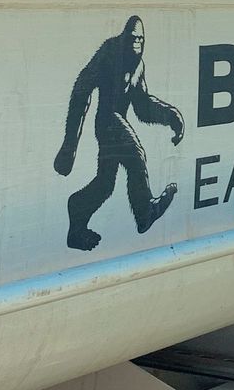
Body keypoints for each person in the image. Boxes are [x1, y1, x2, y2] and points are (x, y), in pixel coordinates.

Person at [55, 16, 184, 251]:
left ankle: (77, 216)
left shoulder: (138, 65)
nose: (137, 44)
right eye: (133, 39)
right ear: (124, 39)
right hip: (107, 120)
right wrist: (69, 145)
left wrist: (171, 116)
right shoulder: (109, 54)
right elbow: (82, 89)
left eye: (141, 40)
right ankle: (145, 212)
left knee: (105, 185)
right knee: (137, 158)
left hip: (117, 121)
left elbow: (143, 106)